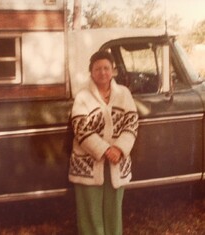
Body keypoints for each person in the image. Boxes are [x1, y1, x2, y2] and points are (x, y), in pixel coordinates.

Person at [68, 51, 138, 235]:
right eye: (97, 68)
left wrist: (119, 149)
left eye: (106, 68)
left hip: (117, 162)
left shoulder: (124, 93)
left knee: (114, 209)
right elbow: (81, 128)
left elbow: (131, 123)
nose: (102, 72)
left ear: (113, 70)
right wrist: (106, 149)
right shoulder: (82, 96)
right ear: (91, 72)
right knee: (90, 212)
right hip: (88, 164)